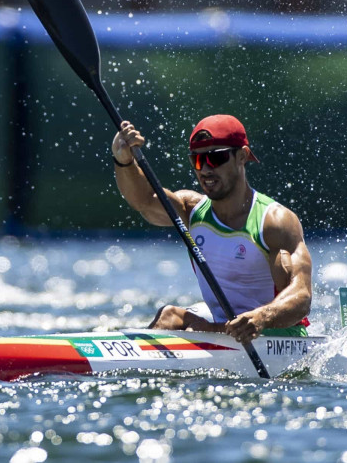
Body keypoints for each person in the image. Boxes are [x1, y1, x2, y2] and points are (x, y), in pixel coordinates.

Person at [111, 114, 312, 344]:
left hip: (273, 333)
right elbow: (144, 200)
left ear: (242, 156)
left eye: (216, 158)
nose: (205, 169)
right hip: (224, 326)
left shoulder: (274, 221)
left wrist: (261, 317)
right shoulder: (191, 210)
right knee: (169, 315)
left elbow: (301, 296)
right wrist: (124, 161)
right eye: (197, 160)